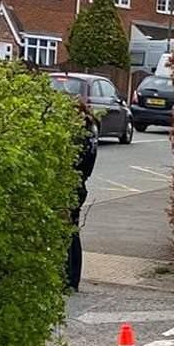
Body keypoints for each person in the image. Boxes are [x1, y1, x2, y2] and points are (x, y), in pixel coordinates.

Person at [67, 100, 98, 291]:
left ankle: (70, 278)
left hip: (72, 186)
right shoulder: (90, 133)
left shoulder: (79, 138)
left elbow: (74, 162)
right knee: (73, 232)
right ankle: (72, 278)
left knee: (69, 234)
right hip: (80, 184)